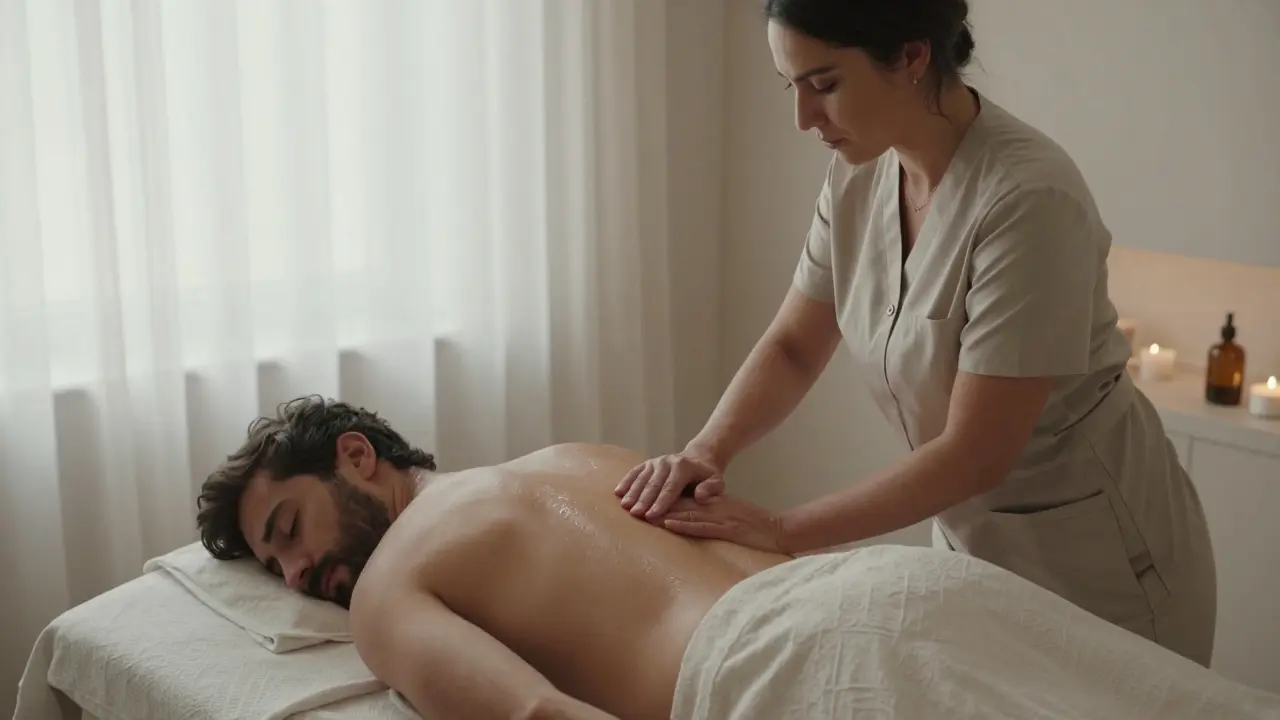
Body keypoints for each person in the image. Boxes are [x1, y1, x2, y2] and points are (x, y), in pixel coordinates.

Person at [616, 0, 1217, 666]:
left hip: (1098, 563)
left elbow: (975, 451)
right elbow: (793, 347)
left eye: (825, 85)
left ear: (910, 56)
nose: (803, 119)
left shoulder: (1028, 199)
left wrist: (781, 530)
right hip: (971, 544)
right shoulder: (860, 173)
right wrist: (706, 452)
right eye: (793, 87)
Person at [195, 398, 1280, 720]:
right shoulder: (581, 450)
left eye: (287, 531)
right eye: (276, 571)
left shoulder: (390, 587)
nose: (299, 578)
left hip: (786, 661)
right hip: (901, 583)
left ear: (355, 457)